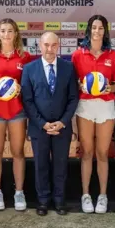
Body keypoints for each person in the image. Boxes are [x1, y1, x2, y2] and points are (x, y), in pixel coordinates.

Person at [21, 32, 79, 216]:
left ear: (58, 46)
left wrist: (62, 122)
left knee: (61, 165)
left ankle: (59, 201)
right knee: (41, 165)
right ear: (40, 45)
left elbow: (73, 98)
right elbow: (27, 100)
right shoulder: (29, 69)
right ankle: (43, 201)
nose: (50, 49)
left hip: (62, 127)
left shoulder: (68, 68)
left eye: (54, 45)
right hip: (39, 128)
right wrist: (42, 123)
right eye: (46, 45)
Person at [71, 14, 115, 213]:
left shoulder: (114, 56)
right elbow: (72, 82)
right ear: (89, 30)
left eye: (101, 28)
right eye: (94, 27)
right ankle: (85, 195)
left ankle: (102, 196)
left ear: (105, 31)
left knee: (102, 153)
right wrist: (80, 85)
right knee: (87, 153)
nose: (97, 31)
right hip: (85, 106)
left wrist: (109, 89)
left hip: (106, 107)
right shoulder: (78, 54)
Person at [0, 18, 32, 211]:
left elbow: (29, 84)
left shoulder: (24, 57)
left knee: (18, 152)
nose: (6, 34)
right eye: (2, 31)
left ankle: (19, 193)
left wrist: (21, 88)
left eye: (10, 31)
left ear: (16, 34)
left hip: (17, 110)